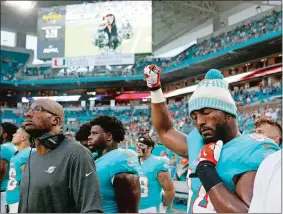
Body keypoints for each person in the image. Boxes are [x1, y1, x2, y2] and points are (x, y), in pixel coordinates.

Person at [143, 65, 280, 213]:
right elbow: (165, 131)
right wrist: (155, 89)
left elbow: (247, 211)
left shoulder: (253, 149)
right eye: (194, 117)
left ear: (228, 114)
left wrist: (207, 172)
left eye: (206, 113)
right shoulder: (198, 140)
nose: (199, 122)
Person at [19, 99, 103, 213]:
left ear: (55, 120)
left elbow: (92, 209)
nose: (27, 114)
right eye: (28, 110)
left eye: (37, 109)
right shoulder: (31, 158)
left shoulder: (77, 153)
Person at [88, 115, 141, 213]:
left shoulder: (120, 158)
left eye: (94, 133)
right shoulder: (94, 157)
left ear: (108, 136)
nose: (89, 137)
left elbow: (129, 181)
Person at [136, 136, 175, 213]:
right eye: (137, 145)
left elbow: (170, 191)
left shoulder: (158, 164)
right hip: (135, 207)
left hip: (151, 208)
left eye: (141, 146)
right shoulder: (133, 162)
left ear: (150, 148)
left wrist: (164, 206)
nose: (138, 148)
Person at [6, 128, 31, 213]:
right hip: (13, 200)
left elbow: (29, 181)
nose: (13, 135)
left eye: (16, 133)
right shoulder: (18, 153)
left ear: (23, 137)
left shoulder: (27, 154)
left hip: (19, 201)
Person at [0, 122, 18, 213]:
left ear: (4, 135)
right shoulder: (15, 147)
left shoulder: (3, 148)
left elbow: (2, 170)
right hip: (11, 190)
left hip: (2, 190)